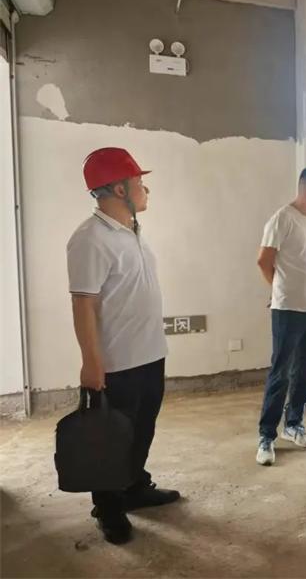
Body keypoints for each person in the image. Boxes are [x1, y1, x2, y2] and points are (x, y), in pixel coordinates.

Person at [67, 147, 180, 545]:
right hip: (117, 362)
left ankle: (133, 487)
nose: (145, 188)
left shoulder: (132, 230)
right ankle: (108, 508)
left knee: (142, 429)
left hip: (150, 354)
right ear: (119, 189)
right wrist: (91, 363)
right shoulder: (89, 238)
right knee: (110, 440)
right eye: (138, 182)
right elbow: (83, 303)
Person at [255, 166, 306, 466]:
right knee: (281, 373)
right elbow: (264, 261)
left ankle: (294, 424)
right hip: (287, 308)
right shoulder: (281, 219)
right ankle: (266, 436)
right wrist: (277, 291)